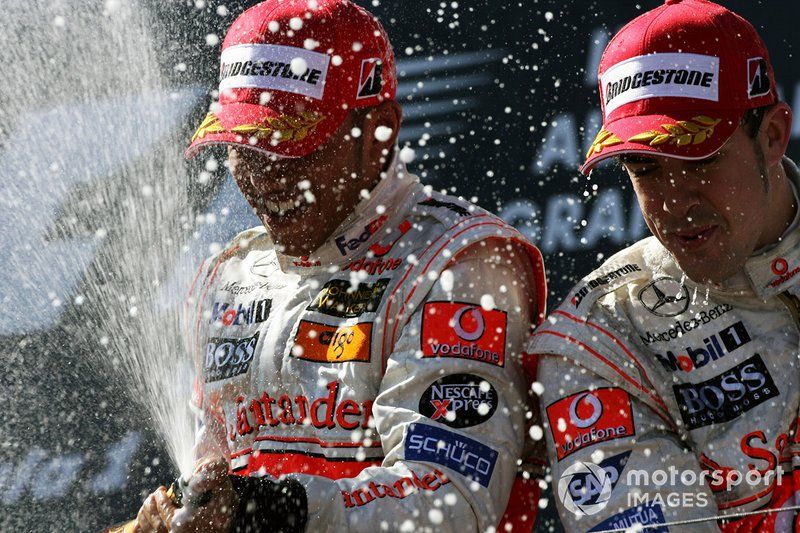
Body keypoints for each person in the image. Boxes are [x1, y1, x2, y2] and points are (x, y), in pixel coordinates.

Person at [133, 0, 547, 531]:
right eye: (245, 148)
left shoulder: (459, 262)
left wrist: (269, 511)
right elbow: (216, 480)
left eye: (294, 147)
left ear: (378, 135)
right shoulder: (229, 275)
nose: (267, 177)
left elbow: (451, 501)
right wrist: (179, 514)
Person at [527, 0, 800, 531]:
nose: (675, 203)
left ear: (771, 136)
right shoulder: (603, 330)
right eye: (646, 168)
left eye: (700, 159)